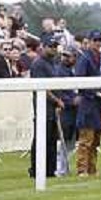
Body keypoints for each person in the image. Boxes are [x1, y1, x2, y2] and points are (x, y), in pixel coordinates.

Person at [74, 29, 101, 177]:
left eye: (99, 40)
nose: (97, 43)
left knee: (96, 140)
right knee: (86, 140)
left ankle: (92, 168)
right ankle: (82, 169)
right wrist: (96, 93)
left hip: (99, 106)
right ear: (88, 41)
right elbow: (80, 81)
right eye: (95, 40)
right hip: (88, 103)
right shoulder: (84, 58)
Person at [28, 34, 64, 179]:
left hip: (53, 108)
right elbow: (42, 87)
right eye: (51, 46)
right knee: (41, 139)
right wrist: (57, 100)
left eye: (55, 46)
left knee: (51, 140)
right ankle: (36, 169)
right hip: (43, 107)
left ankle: (50, 170)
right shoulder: (38, 64)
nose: (54, 49)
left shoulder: (53, 62)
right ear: (43, 46)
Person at [54, 46, 79, 176]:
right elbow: (58, 91)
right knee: (62, 140)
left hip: (73, 110)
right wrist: (71, 101)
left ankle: (64, 167)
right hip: (65, 110)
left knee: (70, 142)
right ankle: (60, 168)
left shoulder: (72, 70)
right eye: (64, 55)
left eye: (69, 56)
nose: (65, 58)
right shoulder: (59, 71)